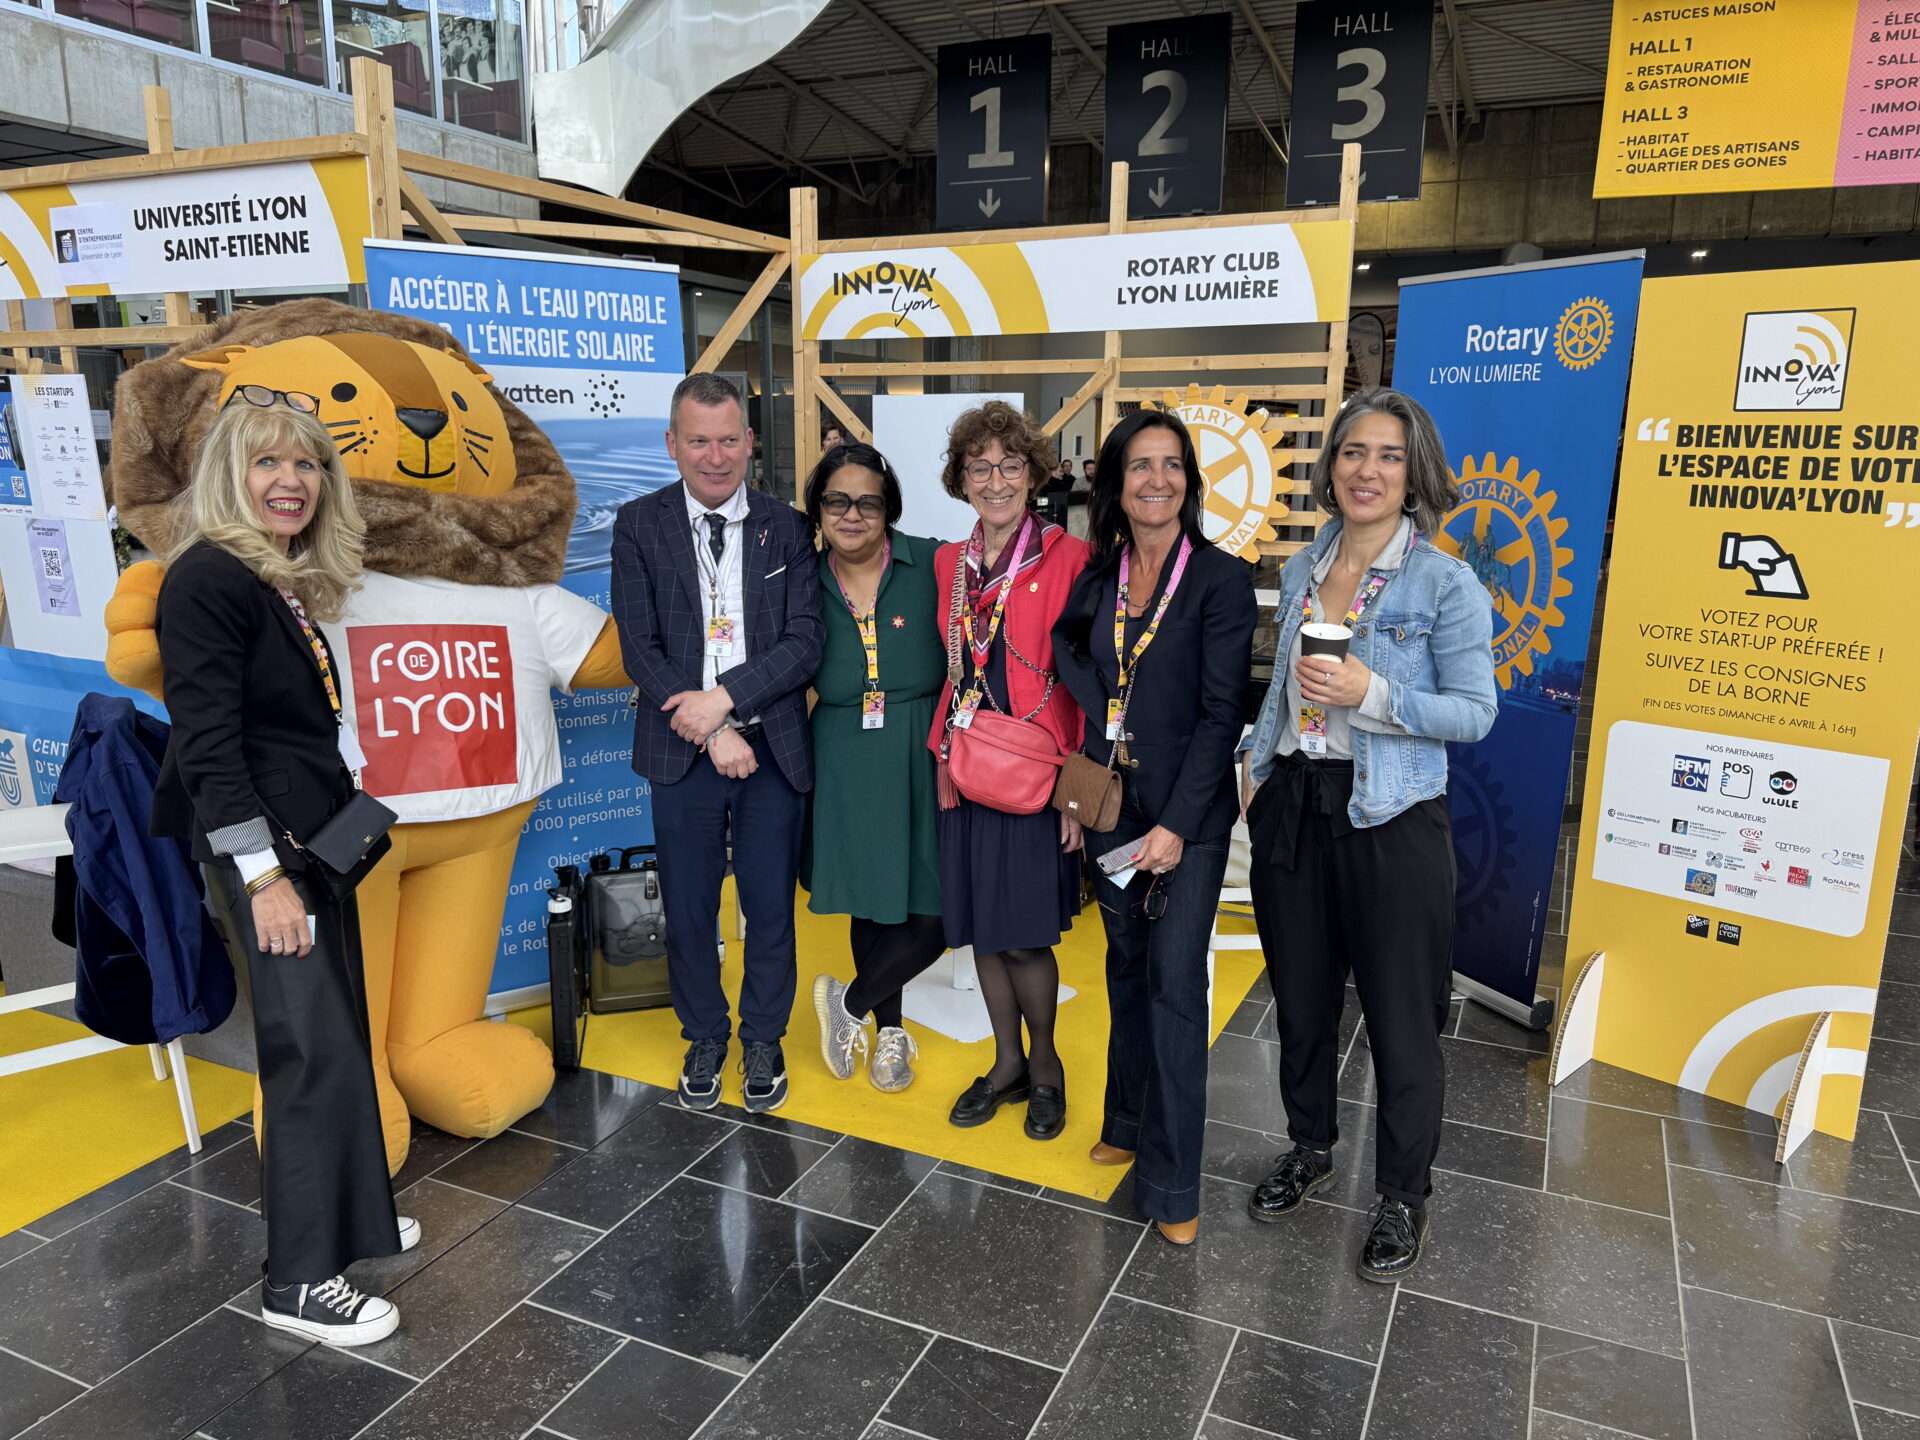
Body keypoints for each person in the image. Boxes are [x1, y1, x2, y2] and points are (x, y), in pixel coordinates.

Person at [151, 397, 412, 1347]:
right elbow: (211, 749)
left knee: (335, 1034)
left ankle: (347, 1223)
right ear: (232, 475)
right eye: (268, 465)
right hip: (268, 854)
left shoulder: (273, 576)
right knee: (310, 1055)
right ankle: (300, 1281)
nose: (290, 483)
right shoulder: (207, 579)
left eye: (306, 467)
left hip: (307, 839)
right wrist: (263, 879)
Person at [1238, 388, 1497, 1282]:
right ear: (1332, 465)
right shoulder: (1307, 561)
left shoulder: (1444, 583)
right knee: (1301, 1004)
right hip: (1295, 809)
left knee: (1400, 1019)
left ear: (1413, 471)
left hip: (1390, 818)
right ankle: (1309, 1147)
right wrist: (1255, 764)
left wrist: (1373, 698)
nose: (1368, 470)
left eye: (1388, 455)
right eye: (1353, 452)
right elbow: (1285, 686)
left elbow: (1474, 714)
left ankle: (1400, 1195)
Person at [1054, 410, 1255, 1246]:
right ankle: (1127, 1118)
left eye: (1173, 466)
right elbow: (1071, 647)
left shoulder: (1218, 580)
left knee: (1176, 987)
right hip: (1111, 807)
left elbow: (1222, 715)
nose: (1157, 481)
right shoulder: (1099, 580)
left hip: (1187, 817)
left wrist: (1176, 823)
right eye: (1141, 466)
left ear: (1190, 483)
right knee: (1125, 968)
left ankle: (1173, 1187)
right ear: (1115, 483)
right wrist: (1100, 715)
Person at [610, 373, 823, 1113]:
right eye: (698, 440)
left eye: (729, 439)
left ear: (750, 443)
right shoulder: (638, 524)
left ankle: (763, 1036)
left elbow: (806, 642)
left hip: (772, 750)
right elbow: (639, 646)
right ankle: (704, 1032)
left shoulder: (788, 526)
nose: (714, 455)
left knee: (769, 906)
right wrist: (710, 729)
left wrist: (726, 706)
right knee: (691, 908)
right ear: (672, 444)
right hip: (681, 752)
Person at [928, 400, 1087, 1141]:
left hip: (1035, 774)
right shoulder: (947, 564)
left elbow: (1088, 682)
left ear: (1034, 474)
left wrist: (1075, 796)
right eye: (979, 466)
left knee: (1026, 935)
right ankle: (1005, 1064)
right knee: (986, 934)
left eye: (1010, 465)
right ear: (961, 479)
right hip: (967, 768)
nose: (995, 480)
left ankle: (1046, 1066)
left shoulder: (1069, 559)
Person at [802, 443, 946, 1093]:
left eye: (869, 502)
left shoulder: (934, 563)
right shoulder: (800, 580)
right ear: (818, 509)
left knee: (942, 910)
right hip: (843, 749)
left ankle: (849, 1004)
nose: (852, 514)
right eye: (837, 500)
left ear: (889, 509)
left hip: (924, 743)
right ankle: (888, 1033)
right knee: (873, 899)